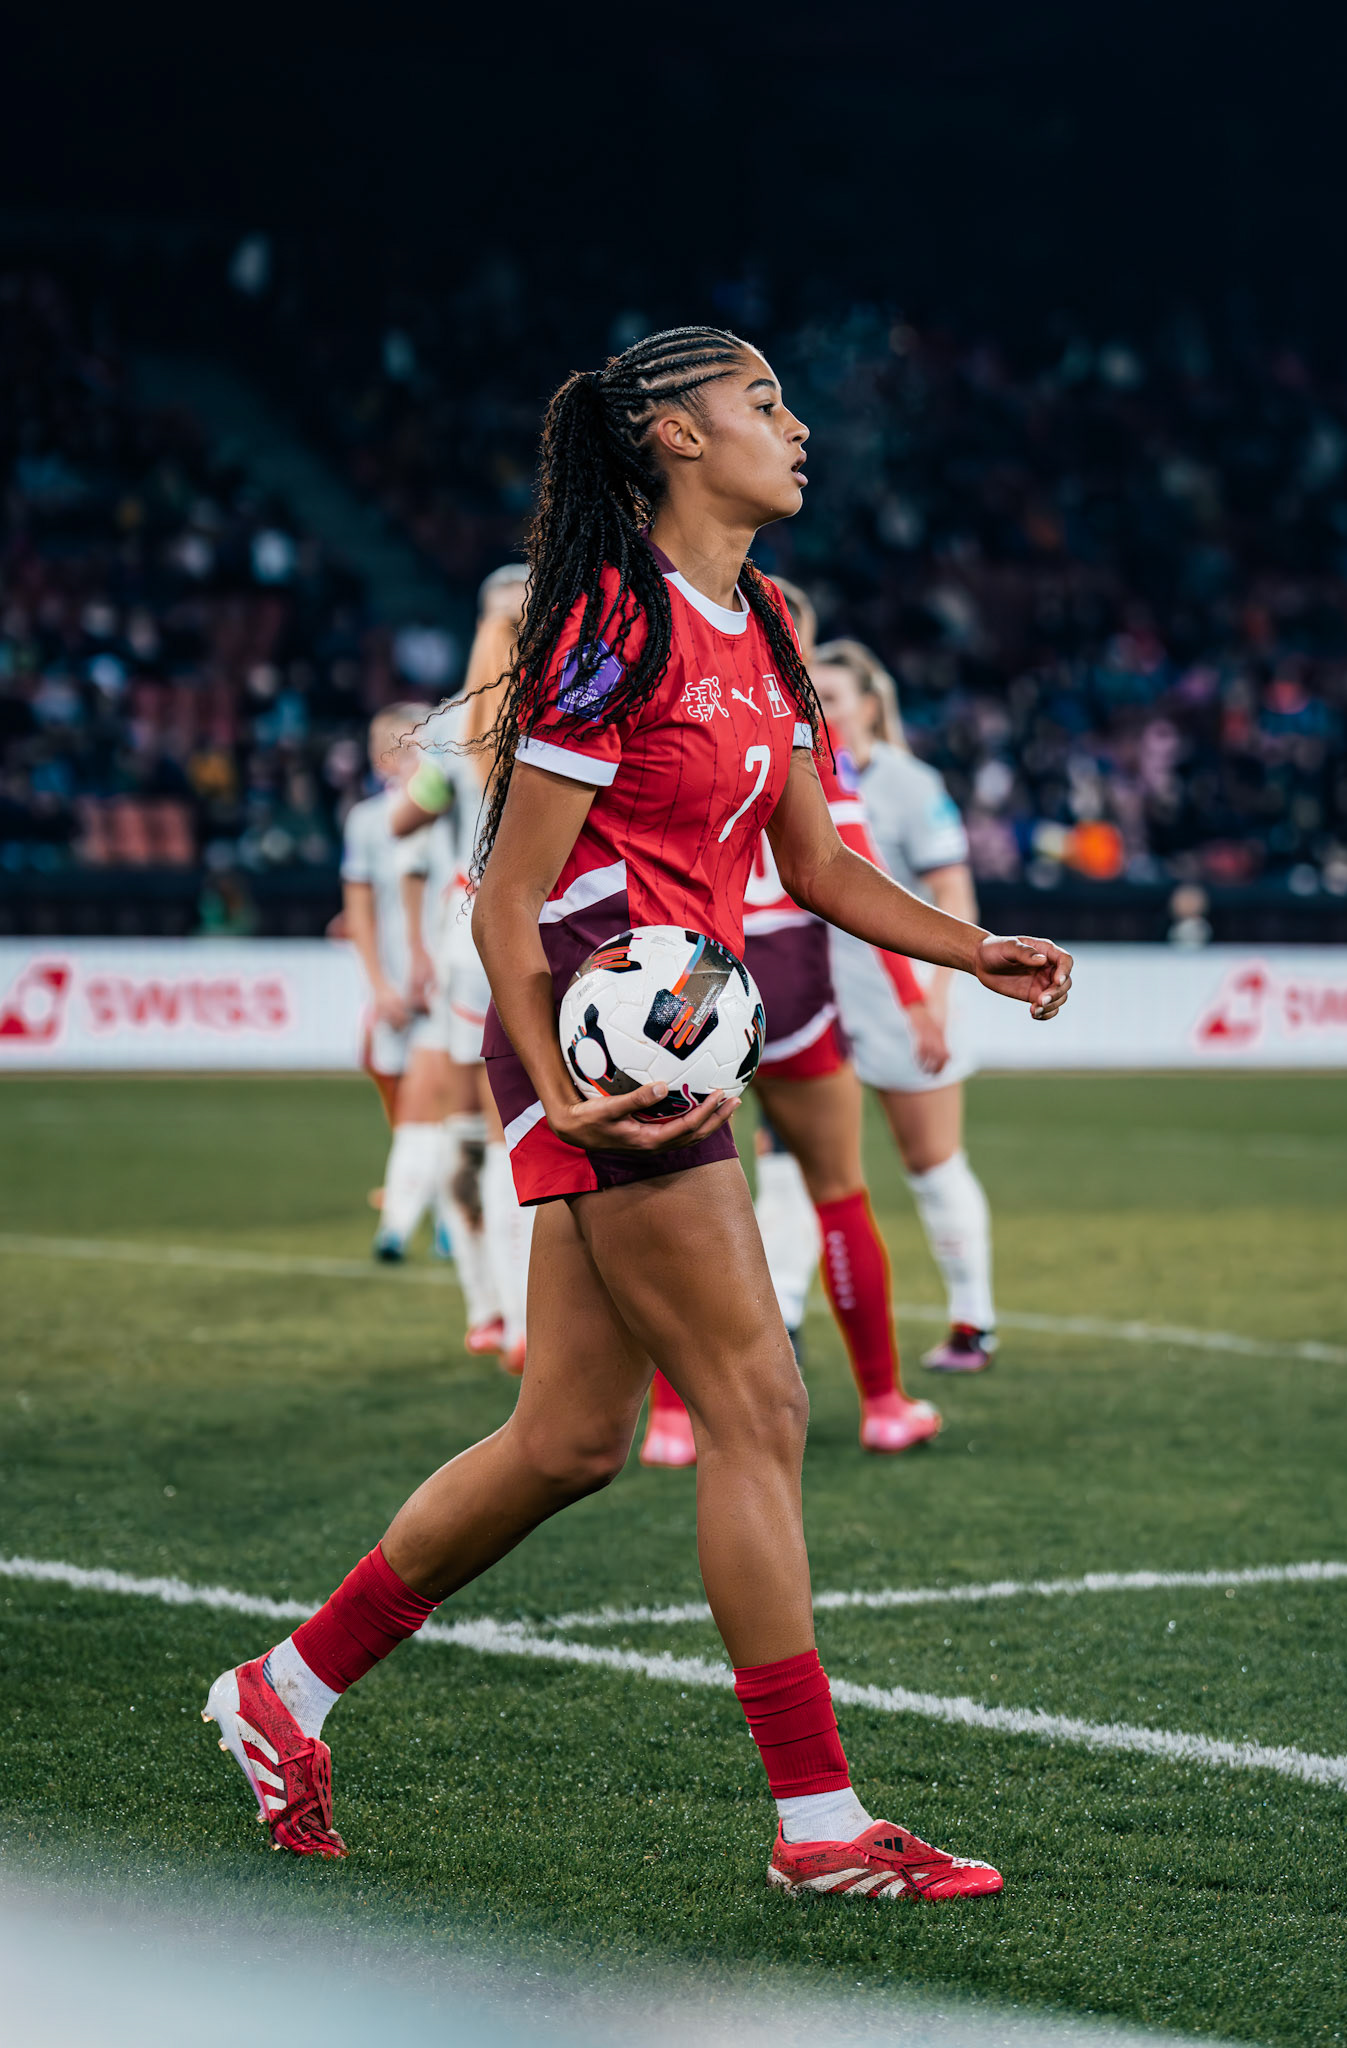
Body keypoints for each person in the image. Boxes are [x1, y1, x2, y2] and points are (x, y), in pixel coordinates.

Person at [202, 325, 1071, 1900]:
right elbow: (507, 893)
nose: (796, 429)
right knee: (759, 1407)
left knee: (571, 1437)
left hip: (646, 1057)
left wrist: (975, 947)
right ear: (672, 434)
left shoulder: (760, 631)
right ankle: (818, 1830)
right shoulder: (607, 626)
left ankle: (283, 1690)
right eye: (762, 404)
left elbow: (810, 867)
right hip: (602, 1062)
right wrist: (558, 1080)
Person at [640, 718, 949, 1465]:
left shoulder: (682, 708)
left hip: (699, 975)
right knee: (838, 1192)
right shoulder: (801, 725)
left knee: (676, 1199)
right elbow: (852, 865)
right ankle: (882, 1405)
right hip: (790, 974)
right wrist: (914, 997)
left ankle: (671, 1421)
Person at [816, 640, 997, 1372]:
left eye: (831, 696)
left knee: (929, 1161)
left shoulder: (908, 784)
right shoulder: (789, 773)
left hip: (900, 999)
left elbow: (952, 889)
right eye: (811, 694)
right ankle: (785, 1325)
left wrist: (936, 993)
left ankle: (971, 1321)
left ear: (865, 704)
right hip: (810, 998)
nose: (820, 708)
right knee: (800, 1167)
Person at [390, 566, 533, 1373]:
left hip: (463, 941)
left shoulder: (452, 731)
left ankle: (498, 1315)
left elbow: (406, 816)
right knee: (530, 1137)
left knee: (471, 1133)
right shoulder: (561, 698)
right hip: (536, 935)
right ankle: (528, 1319)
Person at [341, 706, 482, 1282]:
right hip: (425, 974)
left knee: (441, 1102)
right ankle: (443, 1218)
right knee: (422, 1105)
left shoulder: (447, 786)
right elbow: (368, 901)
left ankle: (411, 1225)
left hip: (448, 975)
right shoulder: (380, 816)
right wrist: (382, 981)